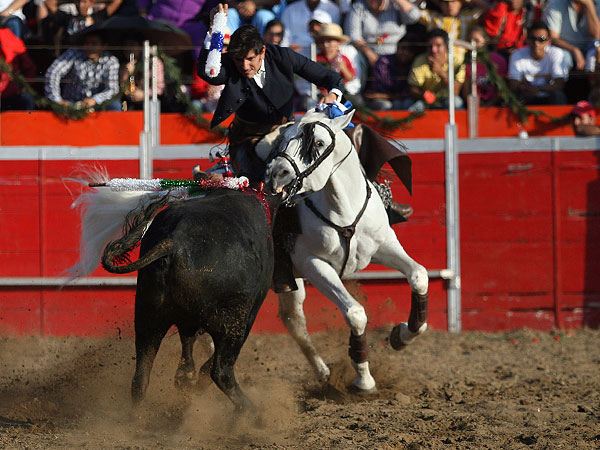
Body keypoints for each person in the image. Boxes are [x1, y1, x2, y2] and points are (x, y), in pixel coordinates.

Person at [197, 4, 412, 291]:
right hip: (250, 141)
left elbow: (331, 79)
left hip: (288, 128)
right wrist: (218, 24)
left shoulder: (282, 56)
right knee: (269, 186)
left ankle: (382, 200)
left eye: (249, 59)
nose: (244, 66)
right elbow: (210, 71)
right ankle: (282, 262)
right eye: (238, 61)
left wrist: (332, 97)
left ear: (262, 52)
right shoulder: (232, 66)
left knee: (354, 135)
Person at [44, 30, 122, 110]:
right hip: (71, 102)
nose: (89, 47)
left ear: (104, 46)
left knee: (115, 106)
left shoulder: (111, 61)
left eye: (94, 44)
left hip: (98, 104)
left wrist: (95, 99)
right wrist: (57, 100)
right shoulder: (74, 53)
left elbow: (113, 89)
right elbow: (53, 73)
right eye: (87, 43)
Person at [344, 0, 420, 69]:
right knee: (354, 55)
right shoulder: (358, 7)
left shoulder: (395, 5)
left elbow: (414, 17)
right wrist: (369, 54)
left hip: (396, 55)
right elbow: (353, 36)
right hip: (367, 55)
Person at [507, 21, 568, 105]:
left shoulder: (557, 53)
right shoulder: (517, 54)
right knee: (513, 98)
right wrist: (524, 88)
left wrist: (539, 88)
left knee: (559, 96)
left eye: (541, 39)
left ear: (548, 41)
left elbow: (560, 85)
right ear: (527, 39)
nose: (536, 43)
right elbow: (513, 85)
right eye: (533, 39)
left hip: (548, 95)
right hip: (527, 95)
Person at [408, 28, 466, 111]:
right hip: (425, 101)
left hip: (447, 99)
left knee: (456, 102)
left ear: (446, 46)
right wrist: (423, 95)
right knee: (412, 106)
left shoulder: (457, 61)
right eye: (430, 46)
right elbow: (413, 89)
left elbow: (455, 91)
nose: (433, 50)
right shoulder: (420, 60)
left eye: (438, 46)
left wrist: (441, 72)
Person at [363, 31, 422, 110]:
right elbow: (376, 92)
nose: (405, 53)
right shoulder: (384, 62)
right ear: (397, 48)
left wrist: (391, 96)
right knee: (386, 105)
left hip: (396, 100)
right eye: (403, 48)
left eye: (409, 51)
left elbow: (408, 93)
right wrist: (394, 96)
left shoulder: (413, 66)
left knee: (408, 104)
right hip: (378, 101)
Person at [543, 0, 600, 71]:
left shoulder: (598, 4)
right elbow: (553, 38)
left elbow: (596, 35)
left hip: (589, 47)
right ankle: (560, 81)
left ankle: (592, 79)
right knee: (562, 58)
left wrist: (589, 5)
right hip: (565, 48)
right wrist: (575, 50)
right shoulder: (555, 4)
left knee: (597, 51)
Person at [37, 0, 122, 47]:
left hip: (92, 52)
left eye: (84, 1)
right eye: (78, 1)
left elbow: (117, 1)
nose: (81, 5)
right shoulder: (67, 18)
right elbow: (48, 3)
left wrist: (95, 1)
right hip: (72, 53)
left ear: (91, 3)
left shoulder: (97, 17)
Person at [462, 25, 508, 106]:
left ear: (486, 40)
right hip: (473, 106)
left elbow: (503, 88)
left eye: (476, 40)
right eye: (469, 41)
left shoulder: (498, 60)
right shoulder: (465, 62)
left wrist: (490, 104)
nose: (473, 45)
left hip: (496, 106)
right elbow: (465, 92)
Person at [119, 34, 166, 111]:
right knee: (122, 107)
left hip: (150, 101)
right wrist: (125, 75)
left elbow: (159, 88)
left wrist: (144, 94)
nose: (128, 49)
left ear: (141, 47)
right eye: (126, 45)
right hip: (128, 103)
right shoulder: (123, 65)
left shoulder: (154, 62)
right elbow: (121, 92)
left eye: (132, 45)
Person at [0, 27, 35, 110]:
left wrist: (24, 86)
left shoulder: (11, 41)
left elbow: (30, 67)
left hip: (13, 92)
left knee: (27, 99)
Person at [315, 23, 357, 88]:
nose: (325, 44)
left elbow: (350, 78)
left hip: (340, 92)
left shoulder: (344, 59)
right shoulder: (317, 58)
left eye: (329, 41)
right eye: (323, 41)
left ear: (338, 42)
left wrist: (343, 68)